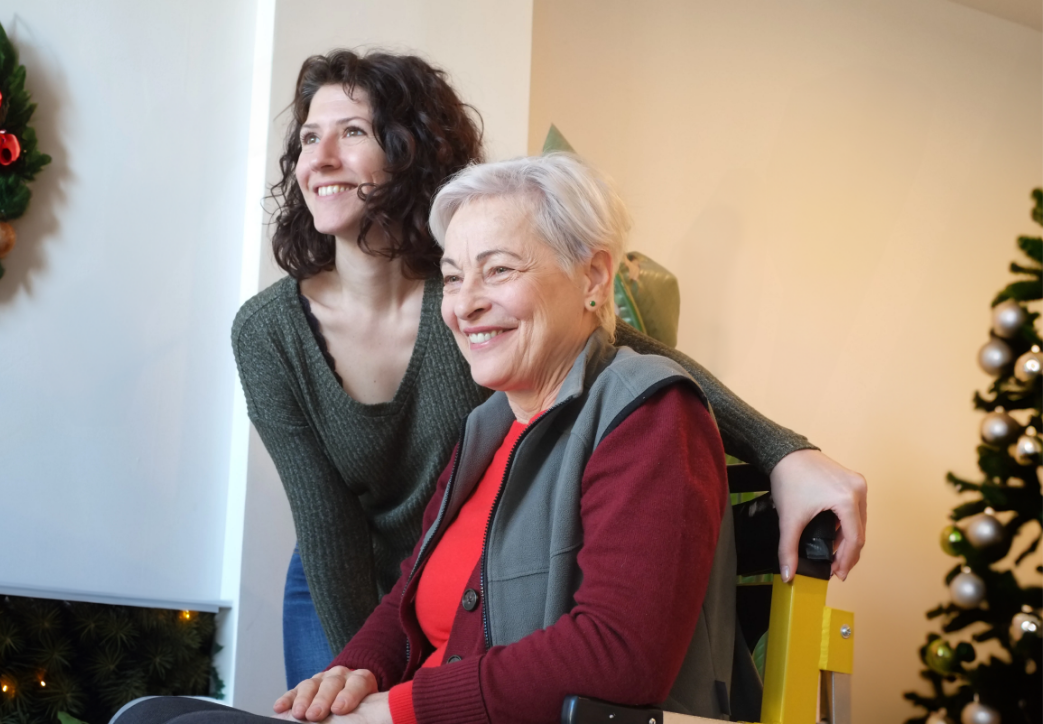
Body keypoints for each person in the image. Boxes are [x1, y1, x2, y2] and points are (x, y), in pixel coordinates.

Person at [229, 49, 867, 691]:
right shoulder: (272, 333)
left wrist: (785, 452)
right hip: (367, 578)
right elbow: (328, 526)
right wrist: (357, 681)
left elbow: (635, 358)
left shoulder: (479, 316)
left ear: (408, 147)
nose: (320, 158)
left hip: (495, 564)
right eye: (309, 137)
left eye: (353, 132)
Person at [115, 152, 743, 724]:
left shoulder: (649, 414)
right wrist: (351, 674)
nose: (464, 305)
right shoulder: (489, 427)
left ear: (592, 278)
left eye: (497, 271)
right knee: (149, 718)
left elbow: (619, 654)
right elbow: (406, 603)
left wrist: (398, 709)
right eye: (453, 276)